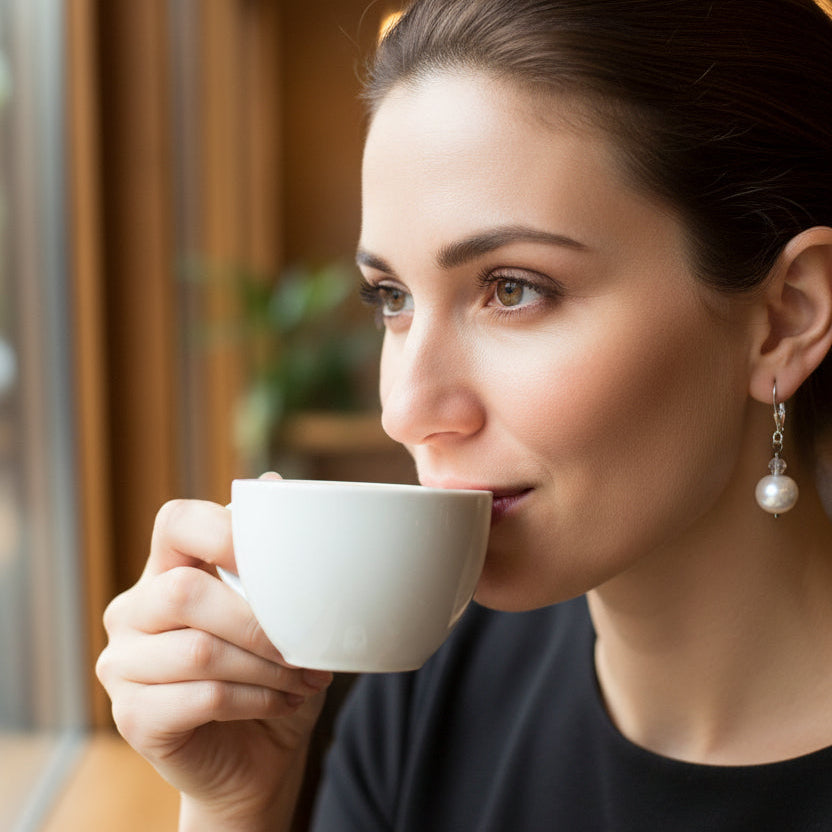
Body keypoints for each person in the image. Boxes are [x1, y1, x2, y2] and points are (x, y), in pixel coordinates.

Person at [96, 0, 832, 829]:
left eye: (512, 289)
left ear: (785, 320)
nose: (407, 411)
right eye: (392, 298)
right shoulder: (427, 690)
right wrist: (234, 805)